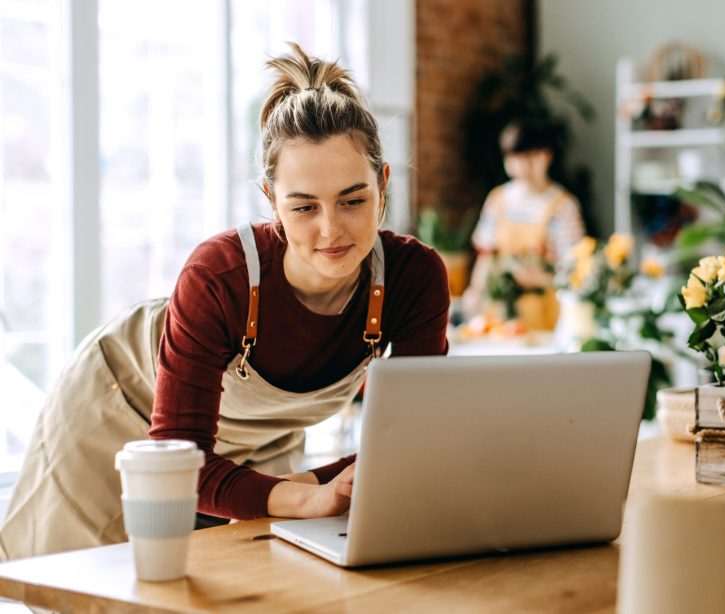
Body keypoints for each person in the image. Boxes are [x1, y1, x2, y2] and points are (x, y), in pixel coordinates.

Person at [0, 43, 450, 560]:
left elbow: (411, 440)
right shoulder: (220, 276)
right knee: (93, 581)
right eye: (304, 206)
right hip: (120, 412)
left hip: (260, 442)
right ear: (270, 201)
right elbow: (181, 457)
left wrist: (305, 487)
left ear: (384, 183)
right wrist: (304, 494)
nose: (332, 230)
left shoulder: (413, 279)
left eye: (353, 200)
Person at [464, 120, 585, 331]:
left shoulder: (563, 206)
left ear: (546, 156)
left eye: (530, 157)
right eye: (515, 158)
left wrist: (542, 278)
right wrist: (475, 291)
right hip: (499, 312)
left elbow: (575, 269)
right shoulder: (498, 199)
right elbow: (487, 255)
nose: (523, 166)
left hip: (545, 315)